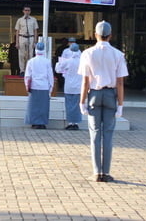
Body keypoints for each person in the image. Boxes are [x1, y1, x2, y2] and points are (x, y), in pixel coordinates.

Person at [78, 21, 128, 183]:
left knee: (94, 134)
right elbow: (120, 82)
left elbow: (85, 81)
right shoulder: (118, 55)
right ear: (110, 35)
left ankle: (96, 172)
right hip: (110, 94)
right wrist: (120, 104)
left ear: (95, 35)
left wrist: (82, 101)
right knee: (108, 134)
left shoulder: (87, 53)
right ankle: (106, 172)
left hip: (94, 94)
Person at [24, 42, 54, 129]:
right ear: (44, 50)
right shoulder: (47, 61)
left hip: (34, 86)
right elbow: (50, 76)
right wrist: (50, 88)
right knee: (43, 106)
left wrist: (27, 86)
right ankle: (42, 122)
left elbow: (27, 75)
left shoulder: (31, 61)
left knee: (34, 106)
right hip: (44, 86)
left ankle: (34, 122)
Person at [55, 43, 82, 130]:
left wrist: (58, 63)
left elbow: (58, 69)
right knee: (77, 105)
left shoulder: (68, 61)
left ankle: (70, 122)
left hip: (69, 87)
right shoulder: (82, 61)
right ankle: (76, 122)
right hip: (79, 87)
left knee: (69, 105)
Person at [15, 6, 38, 75]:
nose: (27, 11)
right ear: (23, 11)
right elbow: (17, 31)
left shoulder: (33, 19)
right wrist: (17, 42)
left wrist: (35, 42)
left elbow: (35, 31)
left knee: (30, 55)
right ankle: (22, 70)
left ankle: (29, 70)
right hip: (22, 37)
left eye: (28, 10)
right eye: (26, 10)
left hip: (31, 37)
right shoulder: (20, 20)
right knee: (21, 55)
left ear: (30, 11)